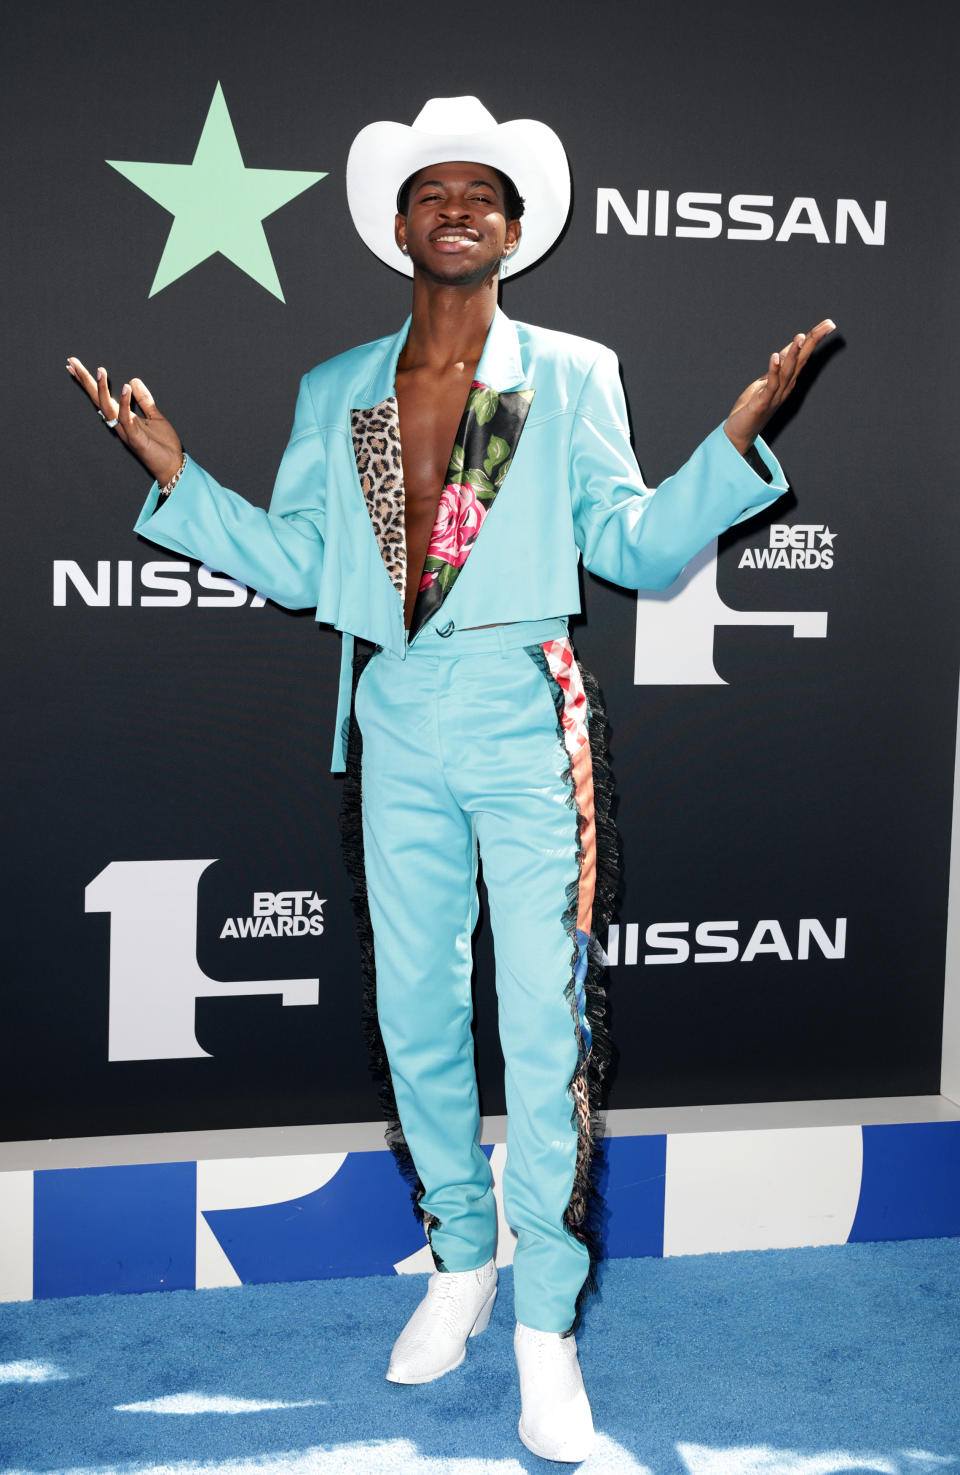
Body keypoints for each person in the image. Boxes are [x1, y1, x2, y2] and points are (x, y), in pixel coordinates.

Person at [67, 95, 834, 1464]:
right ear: (399, 225)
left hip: (524, 705)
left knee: (541, 1025)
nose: (460, 207)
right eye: (435, 191)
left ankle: (547, 1327)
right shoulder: (341, 389)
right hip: (397, 710)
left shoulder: (573, 371)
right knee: (414, 1012)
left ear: (518, 229)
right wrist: (179, 476)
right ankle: (462, 1256)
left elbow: (641, 552)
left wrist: (732, 452)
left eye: (485, 191)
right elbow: (308, 571)